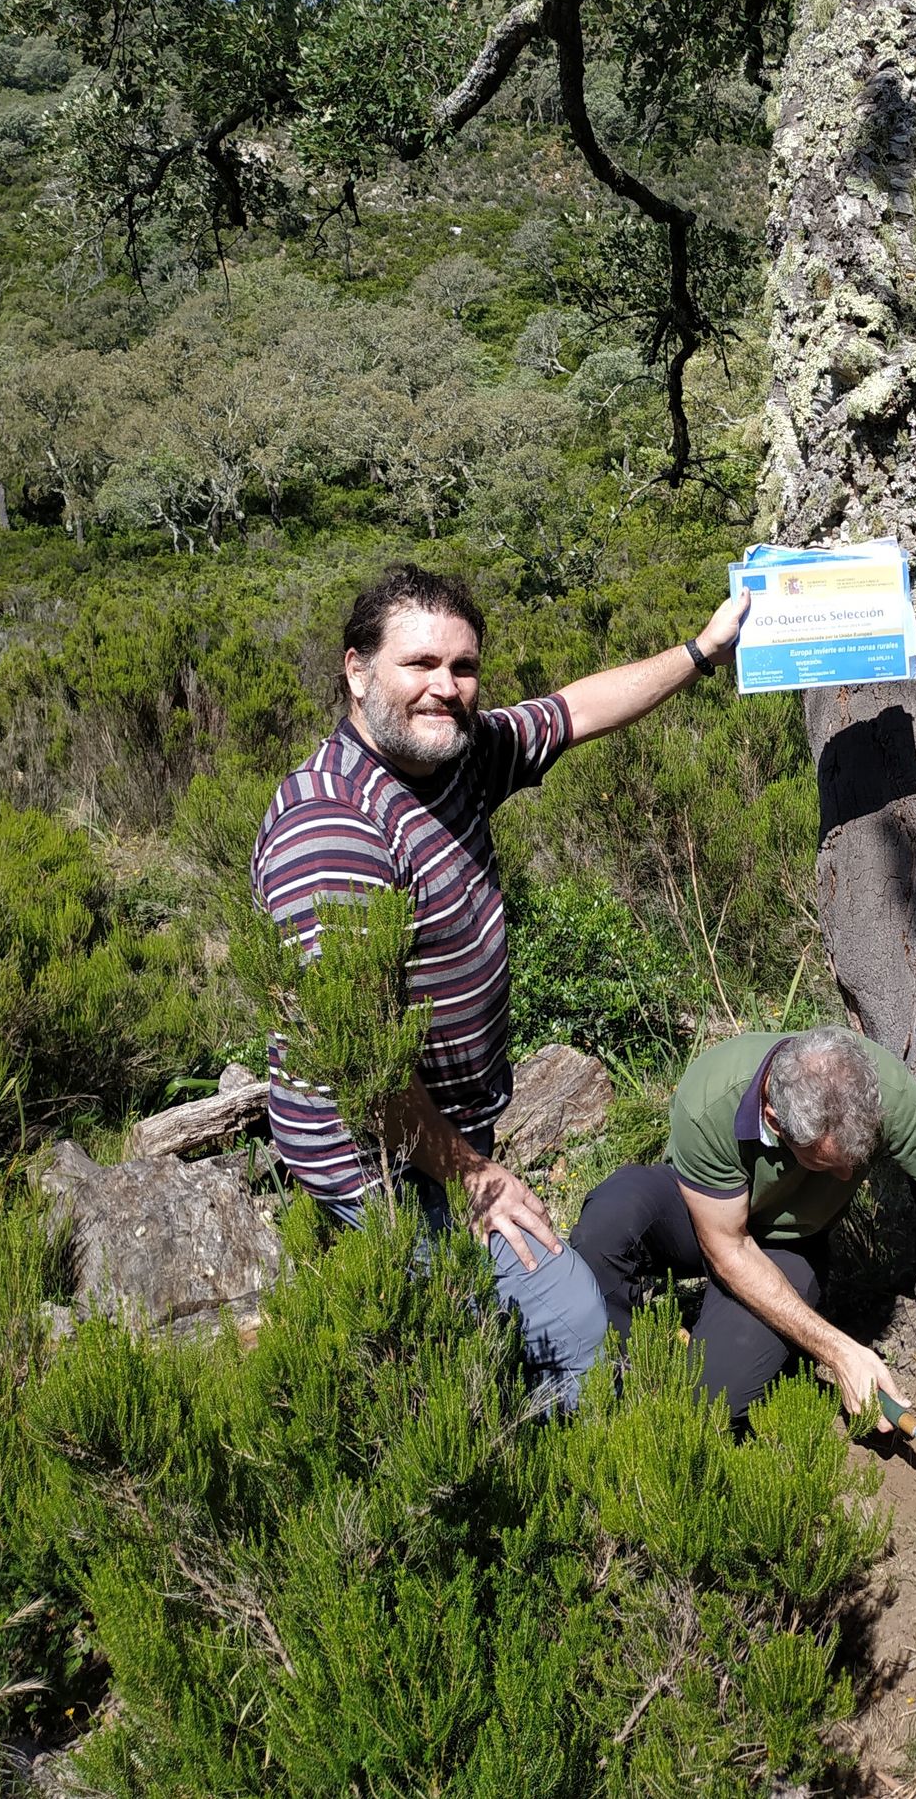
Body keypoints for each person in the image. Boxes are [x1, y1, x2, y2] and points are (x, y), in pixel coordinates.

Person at [252, 560, 746, 1407]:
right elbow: (367, 1073)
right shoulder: (333, 824)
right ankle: (554, 1496)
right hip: (376, 1152)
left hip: (442, 1128)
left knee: (460, 1326)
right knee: (569, 1319)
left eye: (463, 666)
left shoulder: (457, 757)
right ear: (357, 668)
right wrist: (473, 1174)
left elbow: (574, 709)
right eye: (420, 664)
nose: (445, 687)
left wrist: (704, 648)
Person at [570, 1025, 916, 1454]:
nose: (848, 1180)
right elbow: (726, 1248)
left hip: (787, 1244)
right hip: (705, 1217)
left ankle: (680, 1365)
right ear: (776, 1121)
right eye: (829, 1164)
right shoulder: (711, 1096)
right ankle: (601, 1376)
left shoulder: (885, 1092)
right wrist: (842, 1352)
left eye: (857, 1161)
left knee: (708, 1403)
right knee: (611, 1218)